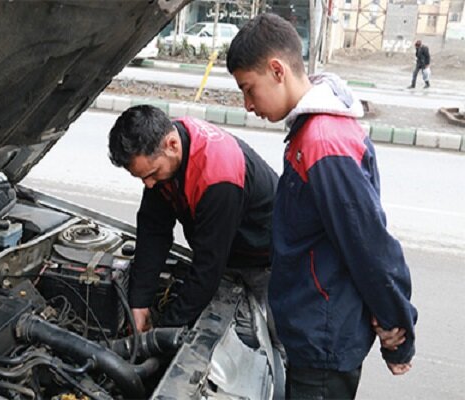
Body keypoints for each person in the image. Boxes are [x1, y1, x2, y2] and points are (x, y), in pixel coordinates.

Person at [227, 14, 418, 399]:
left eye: (249, 89)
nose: (247, 105)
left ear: (277, 70)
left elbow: (369, 246)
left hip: (324, 340)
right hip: (313, 328)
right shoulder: (313, 130)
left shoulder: (322, 144)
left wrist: (398, 332)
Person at [108, 105, 279, 331]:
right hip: (224, 253)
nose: (149, 184)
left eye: (151, 174)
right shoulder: (166, 145)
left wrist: (165, 332)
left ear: (172, 145)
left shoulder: (218, 175)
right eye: (141, 178)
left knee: (273, 341)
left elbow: (208, 267)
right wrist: (139, 302)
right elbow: (153, 232)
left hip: (266, 261)